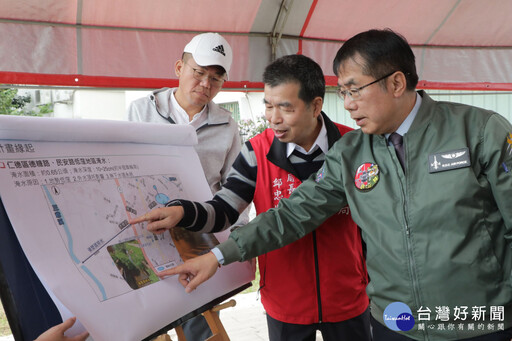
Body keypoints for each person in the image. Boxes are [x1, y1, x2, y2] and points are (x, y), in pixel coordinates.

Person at [134, 29, 512, 340]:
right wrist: (214, 253)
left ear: (397, 83)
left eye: (354, 89)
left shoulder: (478, 132)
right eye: (343, 92)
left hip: (473, 320)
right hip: (395, 321)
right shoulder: (352, 152)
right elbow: (291, 214)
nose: (347, 103)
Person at [131, 54, 371, 341]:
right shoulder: (256, 152)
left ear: (315, 105)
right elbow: (224, 210)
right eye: (268, 106)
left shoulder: (355, 149)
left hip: (348, 299)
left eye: (285, 107)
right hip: (285, 303)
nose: (274, 118)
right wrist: (184, 212)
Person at [127, 32, 244, 341]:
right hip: (150, 230)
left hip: (201, 234)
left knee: (197, 314)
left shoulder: (228, 125)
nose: (206, 84)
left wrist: (235, 243)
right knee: (151, 320)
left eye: (216, 79)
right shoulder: (142, 110)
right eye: (199, 73)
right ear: (179, 68)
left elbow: (236, 187)